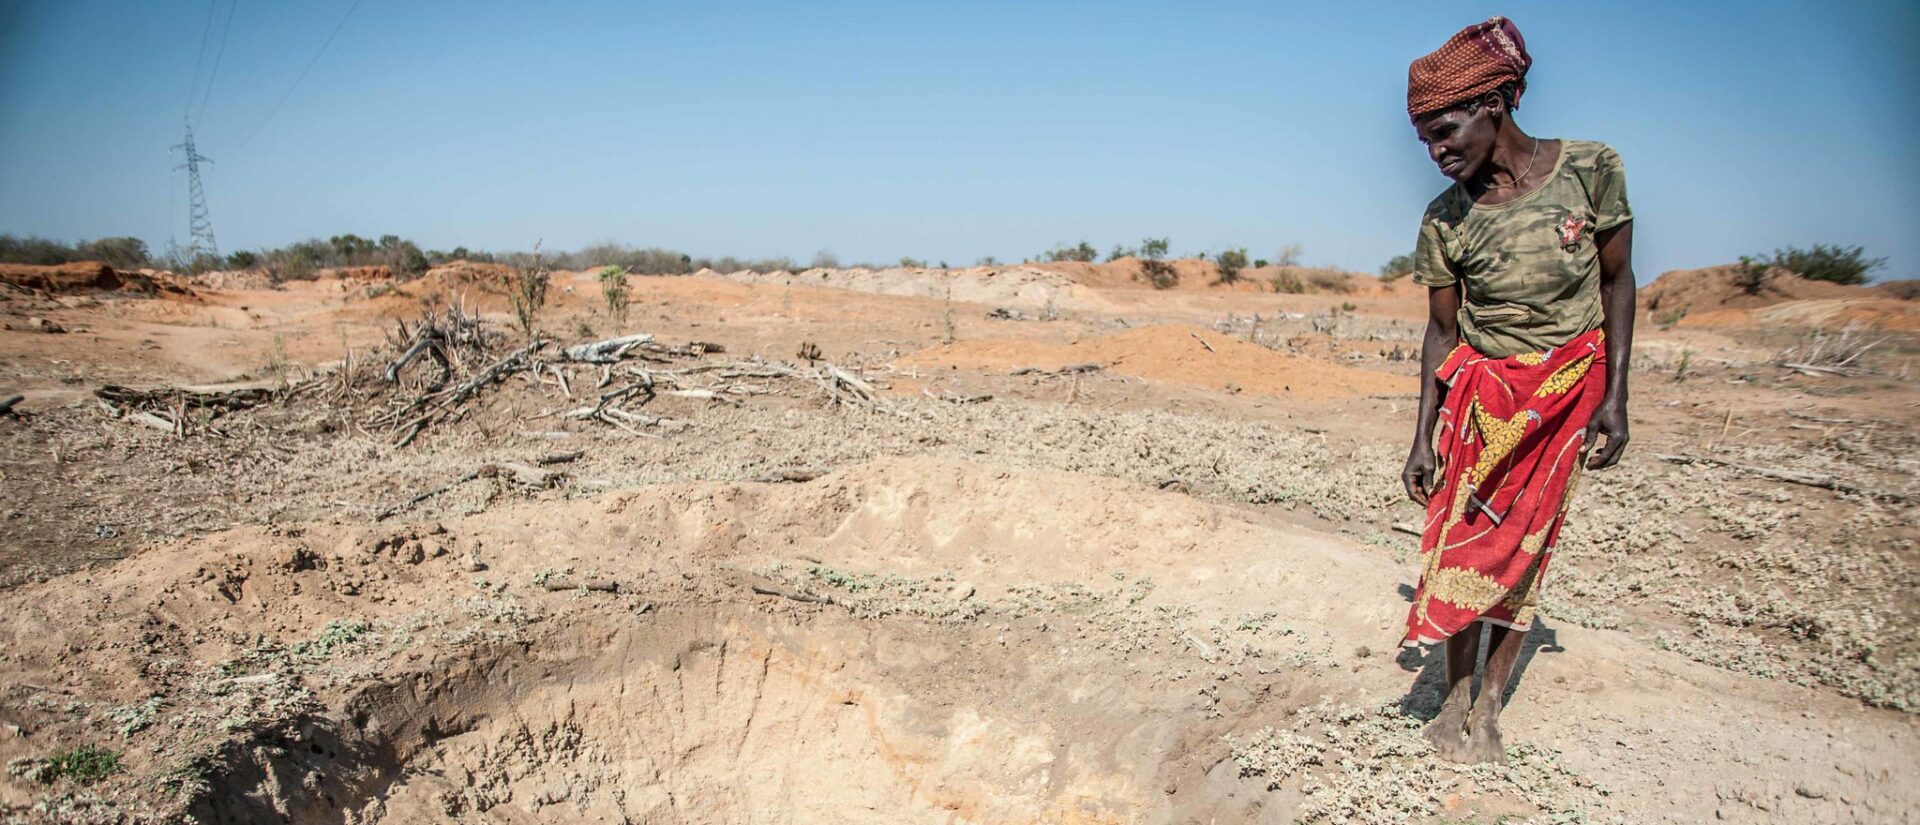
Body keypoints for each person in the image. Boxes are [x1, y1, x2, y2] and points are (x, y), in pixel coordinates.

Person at [1397, 16, 1635, 765]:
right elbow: (1442, 332)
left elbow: (1617, 281)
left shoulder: (1591, 169)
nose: (1437, 152)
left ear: (1496, 103)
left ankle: (1492, 701)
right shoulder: (1444, 219)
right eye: (1426, 140)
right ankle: (1456, 692)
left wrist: (1617, 396)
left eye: (1446, 130)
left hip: (1566, 391)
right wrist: (1422, 434)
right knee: (1466, 540)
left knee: (1527, 548)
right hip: (1483, 397)